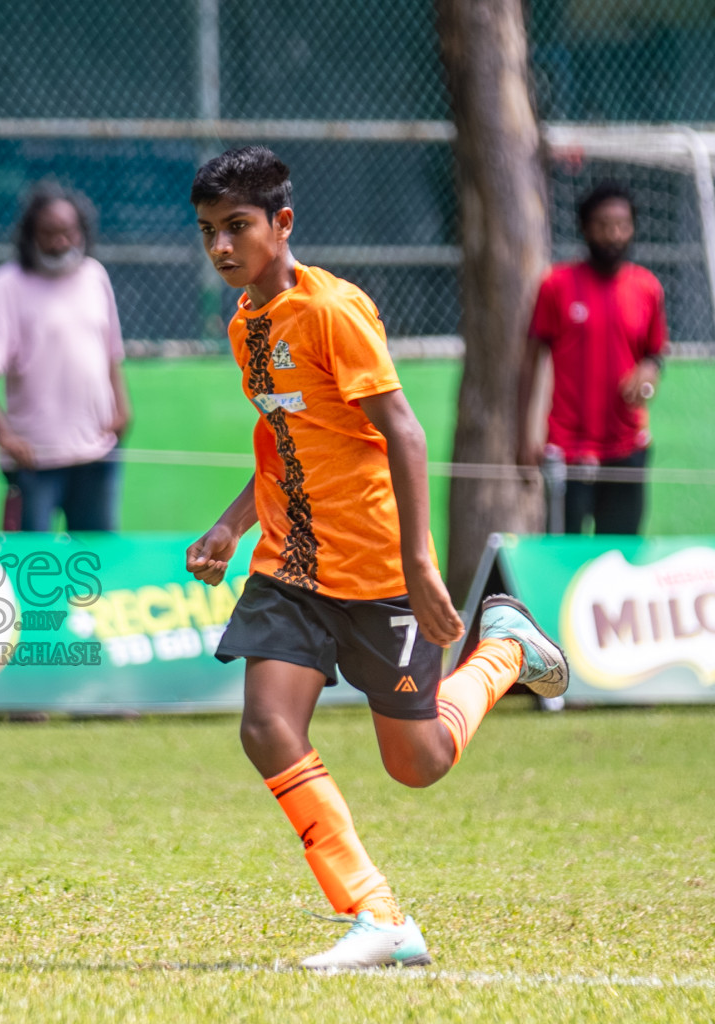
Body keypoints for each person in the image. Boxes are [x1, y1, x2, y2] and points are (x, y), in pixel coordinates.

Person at [184, 147, 569, 969]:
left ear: (282, 223)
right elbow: (287, 441)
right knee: (266, 728)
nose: (222, 247)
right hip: (289, 568)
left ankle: (504, 650)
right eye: (209, 231)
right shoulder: (244, 325)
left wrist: (423, 566)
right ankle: (377, 914)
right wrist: (230, 525)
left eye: (238, 227)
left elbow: (402, 430)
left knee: (419, 762)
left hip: (377, 573)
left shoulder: (334, 310)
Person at [0, 183, 132, 532]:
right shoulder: (5, 286)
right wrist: (4, 437)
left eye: (68, 232)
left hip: (96, 453)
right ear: (30, 236)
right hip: (33, 461)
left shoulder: (95, 276)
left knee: (95, 564)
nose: (60, 243)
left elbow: (110, 352)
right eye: (49, 234)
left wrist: (122, 407)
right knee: (29, 564)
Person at [517, 182, 667, 535]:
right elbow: (531, 360)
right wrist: (525, 433)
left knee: (620, 556)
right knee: (562, 556)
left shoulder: (647, 288)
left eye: (622, 224)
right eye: (603, 224)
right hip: (566, 449)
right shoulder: (556, 284)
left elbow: (655, 354)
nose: (613, 234)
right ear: (585, 228)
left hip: (626, 447)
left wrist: (648, 373)